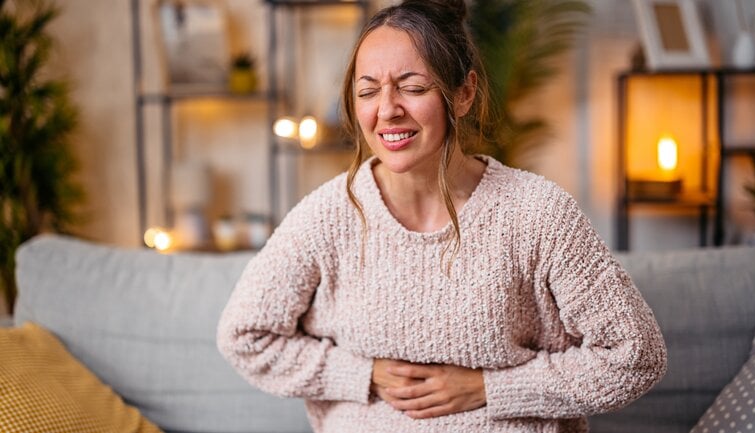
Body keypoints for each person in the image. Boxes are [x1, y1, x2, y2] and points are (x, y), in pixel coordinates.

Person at [216, 1, 667, 432]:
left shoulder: (538, 213)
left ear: (464, 92)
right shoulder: (326, 216)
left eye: (412, 88)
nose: (388, 109)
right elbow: (245, 336)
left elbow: (635, 354)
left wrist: (491, 388)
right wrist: (362, 374)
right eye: (368, 91)